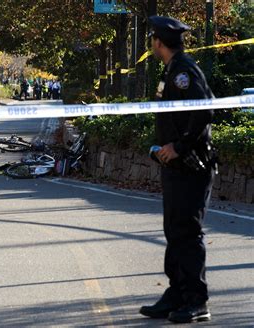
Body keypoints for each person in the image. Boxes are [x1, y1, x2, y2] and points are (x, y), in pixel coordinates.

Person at [139, 16, 217, 324]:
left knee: (186, 230)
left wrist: (180, 147)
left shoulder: (184, 72)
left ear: (158, 42)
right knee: (174, 229)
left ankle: (197, 300)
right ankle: (177, 293)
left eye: (152, 40)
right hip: (175, 167)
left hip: (191, 165)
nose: (152, 45)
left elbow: (205, 111)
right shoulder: (173, 70)